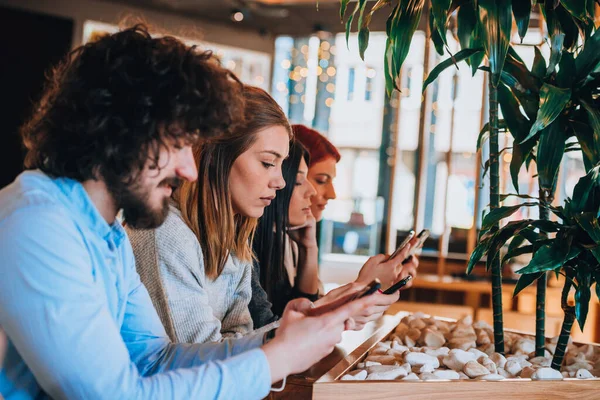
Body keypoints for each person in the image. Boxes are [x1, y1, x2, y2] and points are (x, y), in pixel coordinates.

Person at [0, 26, 373, 400]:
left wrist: (281, 338)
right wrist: (275, 360)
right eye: (179, 144)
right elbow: (112, 395)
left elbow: (155, 358)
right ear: (124, 130)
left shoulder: (105, 231)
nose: (189, 170)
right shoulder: (38, 224)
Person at [126, 85, 291, 344]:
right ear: (217, 157)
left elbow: (240, 336)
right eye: (268, 163)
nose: (280, 181)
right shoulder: (165, 231)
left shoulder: (235, 236)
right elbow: (201, 357)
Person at [293, 124, 419, 286]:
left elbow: (311, 304)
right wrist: (370, 284)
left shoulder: (298, 238)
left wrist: (377, 285)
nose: (332, 194)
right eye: (321, 181)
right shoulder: (267, 245)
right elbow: (306, 309)